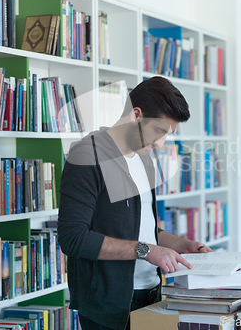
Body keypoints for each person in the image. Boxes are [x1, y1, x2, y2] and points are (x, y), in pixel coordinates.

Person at [58, 76, 213, 330]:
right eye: (159, 131)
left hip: (151, 297)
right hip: (108, 307)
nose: (161, 143)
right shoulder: (86, 156)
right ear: (136, 115)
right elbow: (72, 238)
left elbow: (139, 229)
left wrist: (184, 245)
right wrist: (147, 251)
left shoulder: (144, 160)